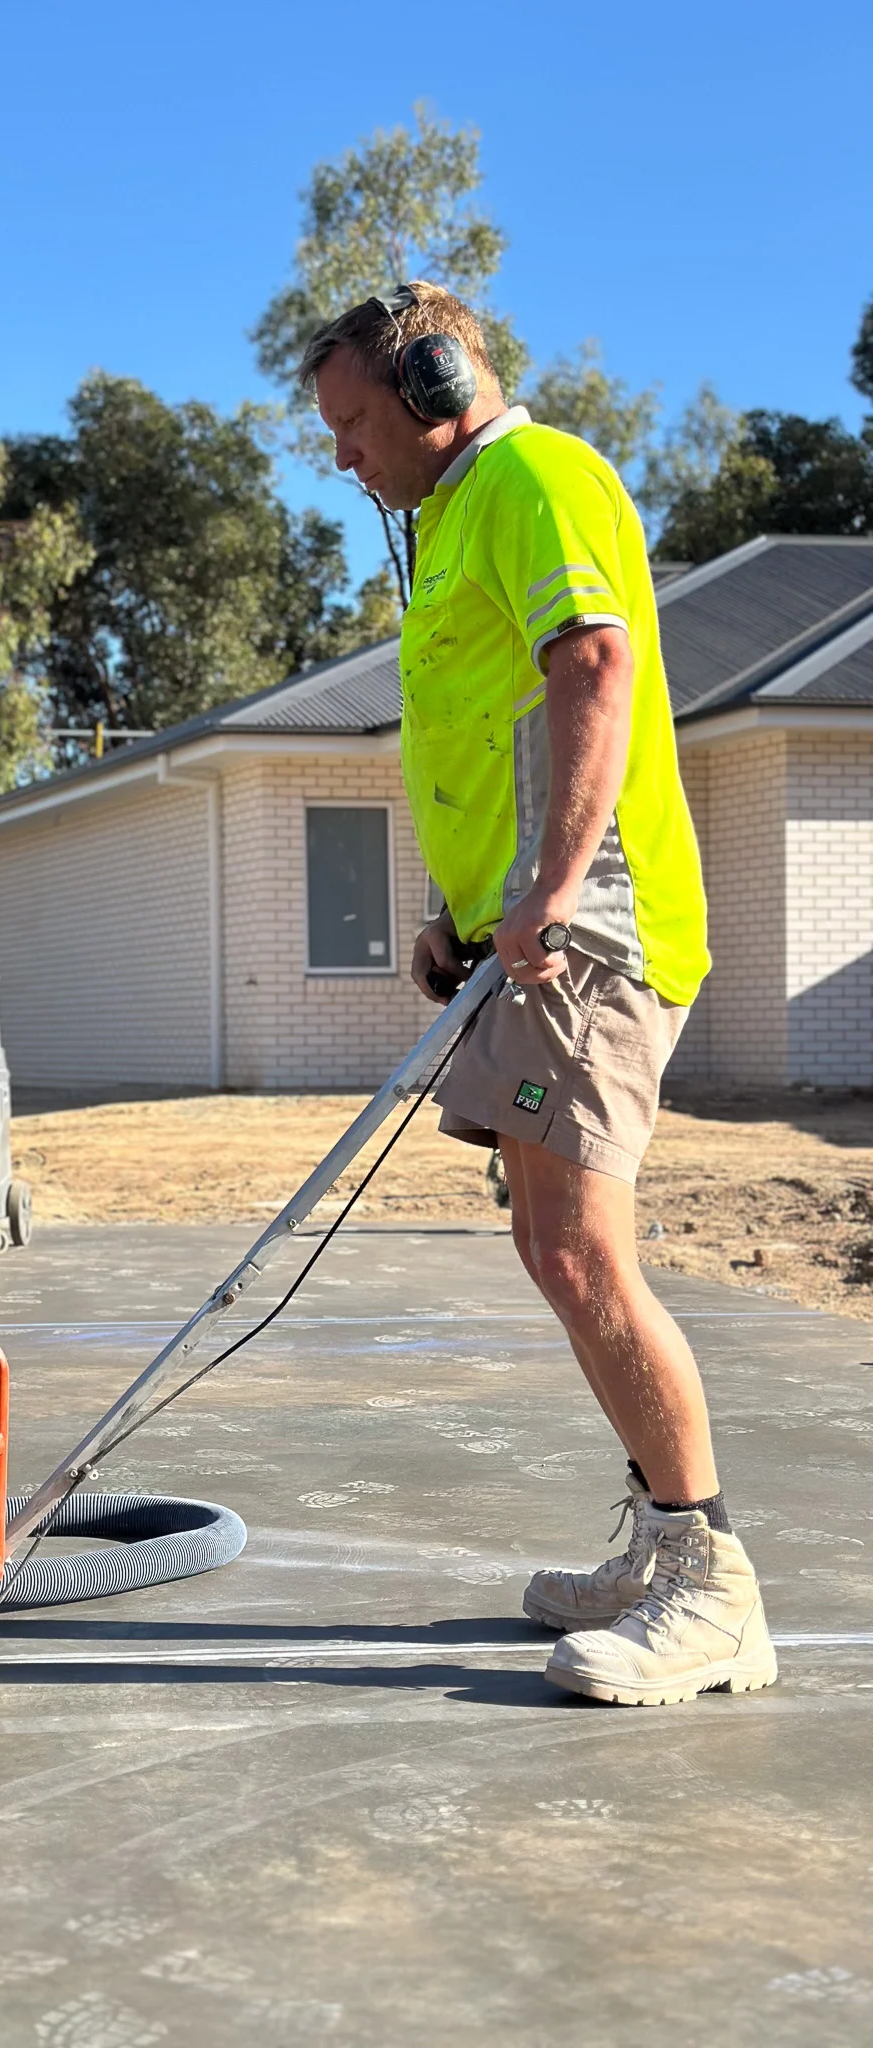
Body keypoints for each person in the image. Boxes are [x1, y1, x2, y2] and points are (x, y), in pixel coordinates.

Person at [301, 283, 776, 1706]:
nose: (344, 458)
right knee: (549, 1247)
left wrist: (554, 888)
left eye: (355, 423)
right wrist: (457, 917)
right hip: (527, 939)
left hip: (595, 933)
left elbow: (594, 668)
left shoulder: (537, 477)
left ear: (437, 381)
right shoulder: (455, 525)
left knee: (578, 1251)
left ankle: (711, 1588)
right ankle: (657, 1538)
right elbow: (490, 730)